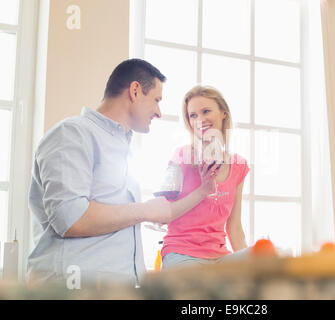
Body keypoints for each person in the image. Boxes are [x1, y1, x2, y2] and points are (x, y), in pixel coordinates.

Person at [27, 59, 217, 287]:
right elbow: (70, 218)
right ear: (135, 91)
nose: (158, 112)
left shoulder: (121, 148)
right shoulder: (72, 134)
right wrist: (145, 210)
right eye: (156, 100)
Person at [160, 85, 250, 269]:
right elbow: (164, 215)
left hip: (219, 257)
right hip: (181, 253)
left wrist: (250, 268)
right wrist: (203, 189)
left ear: (223, 113)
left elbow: (234, 228)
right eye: (193, 115)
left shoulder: (239, 166)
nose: (199, 120)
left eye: (206, 111)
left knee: (269, 256)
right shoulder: (180, 157)